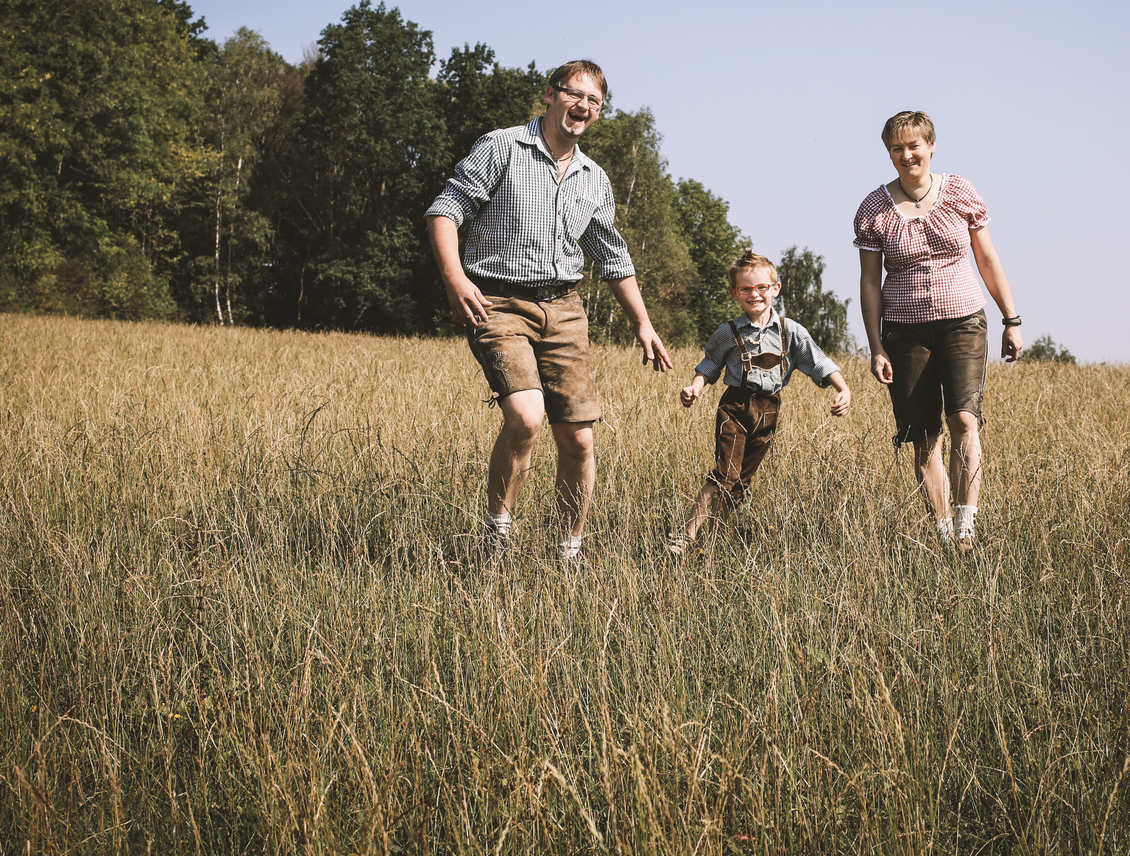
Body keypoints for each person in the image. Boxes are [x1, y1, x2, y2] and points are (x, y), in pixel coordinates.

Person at [426, 60, 672, 566]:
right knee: (525, 415)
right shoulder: (503, 147)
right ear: (550, 94)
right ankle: (495, 540)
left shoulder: (593, 178)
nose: (583, 107)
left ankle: (567, 553)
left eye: (594, 101)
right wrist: (454, 279)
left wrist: (642, 323)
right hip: (497, 301)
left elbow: (613, 257)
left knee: (579, 438)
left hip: (564, 308)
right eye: (574, 94)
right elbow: (445, 209)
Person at [854, 110, 1022, 555]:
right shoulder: (873, 209)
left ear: (931, 147)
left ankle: (967, 528)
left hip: (963, 320)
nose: (907, 155)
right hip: (905, 332)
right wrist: (876, 346)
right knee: (923, 433)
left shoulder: (961, 192)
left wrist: (1012, 319)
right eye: (897, 148)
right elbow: (870, 284)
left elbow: (987, 259)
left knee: (965, 419)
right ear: (888, 153)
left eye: (914, 146)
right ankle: (944, 534)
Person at [666, 249, 852, 556]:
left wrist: (843, 389)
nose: (755, 294)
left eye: (761, 287)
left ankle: (714, 542)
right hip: (735, 407)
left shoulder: (790, 331)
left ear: (775, 288)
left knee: (739, 483)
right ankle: (685, 537)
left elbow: (818, 361)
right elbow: (710, 364)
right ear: (735, 293)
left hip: (769, 411)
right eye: (746, 289)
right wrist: (695, 388)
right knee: (725, 473)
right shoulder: (728, 332)